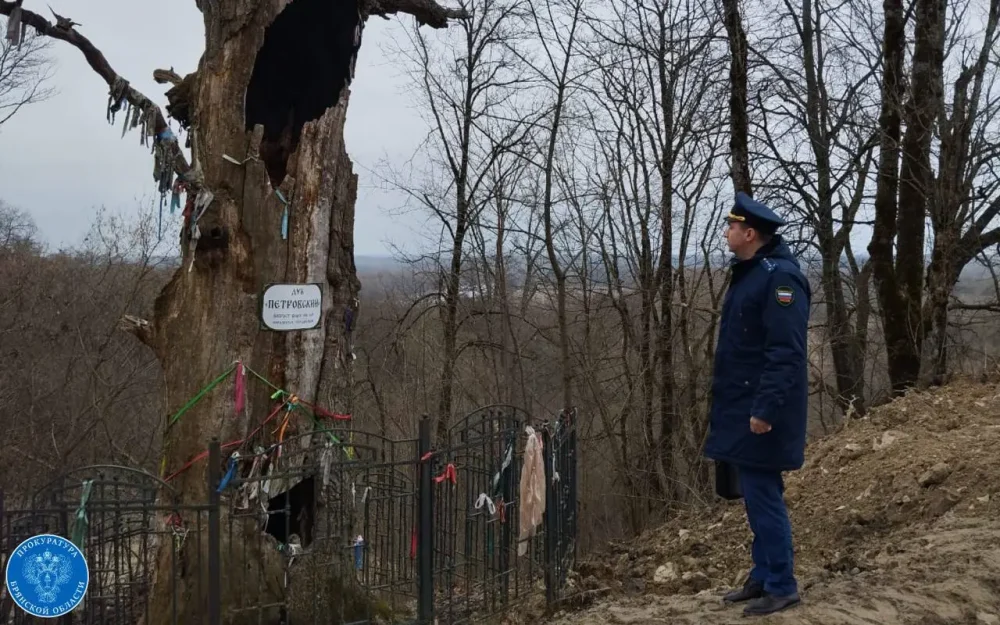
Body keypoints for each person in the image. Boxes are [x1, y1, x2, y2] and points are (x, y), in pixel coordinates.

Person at [704, 191, 811, 617]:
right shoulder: (751, 272)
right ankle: (763, 575)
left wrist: (765, 410)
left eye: (732, 226)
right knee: (753, 492)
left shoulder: (778, 278)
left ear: (750, 234)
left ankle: (782, 584)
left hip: (763, 412)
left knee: (763, 494)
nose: (727, 231)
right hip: (742, 406)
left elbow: (786, 352)